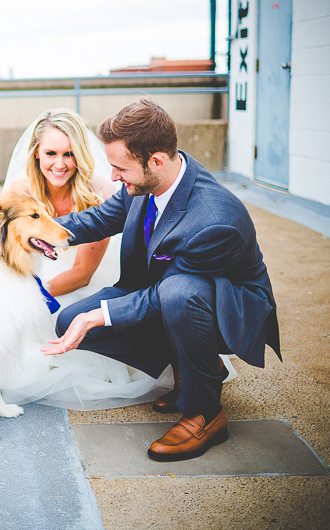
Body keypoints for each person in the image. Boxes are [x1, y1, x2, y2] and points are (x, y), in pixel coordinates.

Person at [42, 98, 281, 461]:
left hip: (225, 308)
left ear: (155, 160)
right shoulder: (145, 182)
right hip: (163, 291)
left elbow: (168, 294)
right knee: (67, 322)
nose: (114, 178)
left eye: (119, 168)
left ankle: (205, 412)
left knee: (177, 296)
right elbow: (96, 220)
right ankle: (194, 365)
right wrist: (34, 230)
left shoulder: (215, 218)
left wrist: (97, 315)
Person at [0, 108, 171, 410]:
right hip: (33, 276)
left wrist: (32, 294)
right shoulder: (19, 191)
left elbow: (82, 273)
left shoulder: (98, 192)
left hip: (78, 282)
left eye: (69, 154)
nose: (60, 164)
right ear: (36, 154)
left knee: (66, 319)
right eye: (51, 153)